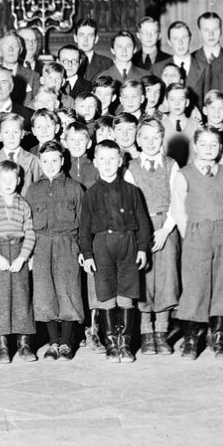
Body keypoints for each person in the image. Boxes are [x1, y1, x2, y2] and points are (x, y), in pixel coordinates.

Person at [78, 139, 151, 363]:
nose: (107, 163)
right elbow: (84, 228)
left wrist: (142, 249)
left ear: (120, 161)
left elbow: (143, 223)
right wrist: (87, 254)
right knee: (106, 294)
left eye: (112, 159)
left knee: (127, 294)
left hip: (127, 244)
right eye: (103, 159)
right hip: (102, 246)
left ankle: (125, 343)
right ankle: (111, 342)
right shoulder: (90, 194)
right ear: (96, 162)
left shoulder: (132, 191)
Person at [170, 127, 223, 360]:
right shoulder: (184, 174)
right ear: (195, 146)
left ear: (221, 148)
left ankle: (219, 337)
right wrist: (188, 234)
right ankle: (192, 338)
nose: (209, 149)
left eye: (214, 145)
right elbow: (178, 209)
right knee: (195, 286)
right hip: (196, 233)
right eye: (204, 144)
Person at [122, 118, 179, 356]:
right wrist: (140, 236)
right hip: (141, 229)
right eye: (145, 137)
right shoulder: (131, 168)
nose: (150, 142)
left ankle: (162, 333)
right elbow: (128, 205)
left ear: (162, 138)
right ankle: (146, 334)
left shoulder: (171, 164)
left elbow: (178, 201)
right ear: (137, 139)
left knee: (166, 280)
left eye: (156, 137)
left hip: (166, 226)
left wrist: (166, 230)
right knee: (143, 281)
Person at [24, 141, 85, 360]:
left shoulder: (75, 188)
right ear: (40, 162)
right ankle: (53, 342)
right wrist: (28, 252)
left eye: (55, 160)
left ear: (63, 160)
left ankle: (67, 342)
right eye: (46, 161)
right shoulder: (33, 190)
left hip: (67, 244)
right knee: (45, 293)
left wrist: (82, 250)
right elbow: (27, 222)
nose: (50, 165)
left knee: (68, 291)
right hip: (41, 246)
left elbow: (84, 222)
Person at [0, 160, 37, 363]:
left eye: (12, 179)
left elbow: (30, 233)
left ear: (19, 180)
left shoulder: (23, 204)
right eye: (4, 179)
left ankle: (24, 344)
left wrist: (23, 257)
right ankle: (2, 346)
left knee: (21, 298)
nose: (8, 183)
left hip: (18, 252)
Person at [151, 21, 208, 101]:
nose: (180, 43)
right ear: (169, 42)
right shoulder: (157, 68)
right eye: (175, 39)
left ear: (190, 38)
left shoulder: (204, 68)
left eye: (184, 37)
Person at [73, 17, 114, 82]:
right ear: (75, 38)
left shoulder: (107, 64)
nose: (85, 40)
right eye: (81, 35)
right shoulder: (67, 62)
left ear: (96, 39)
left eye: (90, 35)